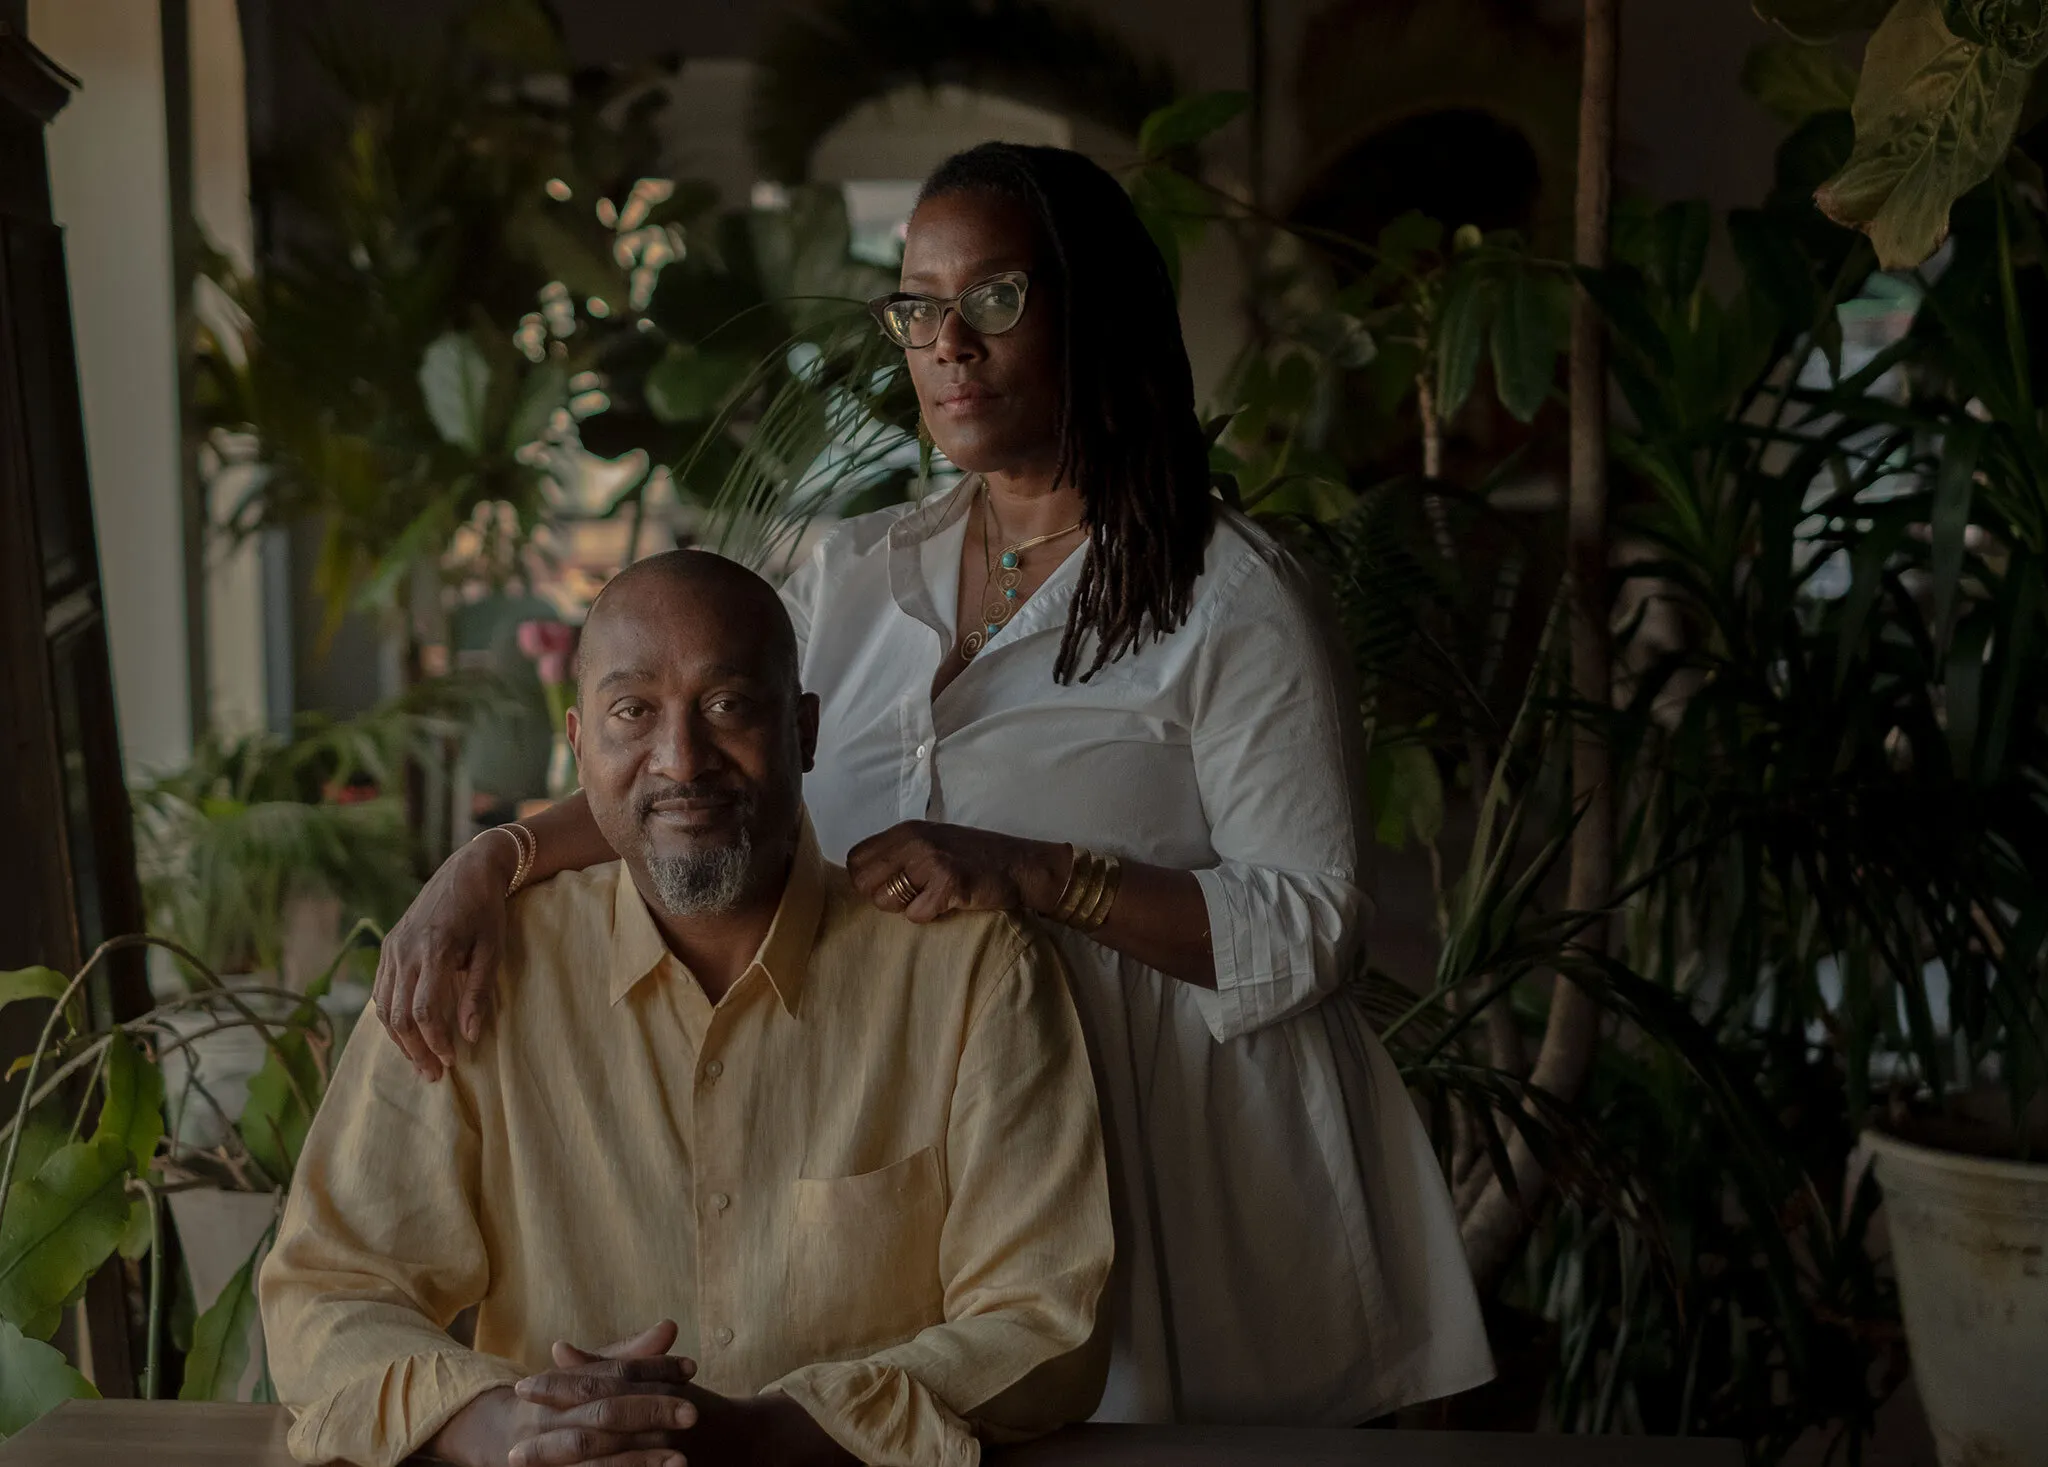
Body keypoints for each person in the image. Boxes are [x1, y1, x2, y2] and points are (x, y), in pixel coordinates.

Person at [374, 141, 1493, 1426]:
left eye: (996, 300)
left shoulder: (1226, 595)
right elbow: (698, 786)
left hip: (1185, 1155)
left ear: (1094, 310)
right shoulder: (849, 577)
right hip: (938, 1149)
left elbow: (1312, 925)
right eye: (918, 306)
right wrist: (488, 863)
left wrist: (1033, 872)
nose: (946, 342)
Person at [262, 552, 1113, 1467]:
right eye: (635, 712)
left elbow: (1046, 1324)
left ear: (805, 729)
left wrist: (773, 1432)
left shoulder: (973, 973)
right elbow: (327, 1293)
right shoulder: (483, 969)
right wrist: (503, 1423)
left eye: (728, 705)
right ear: (579, 742)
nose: (681, 758)